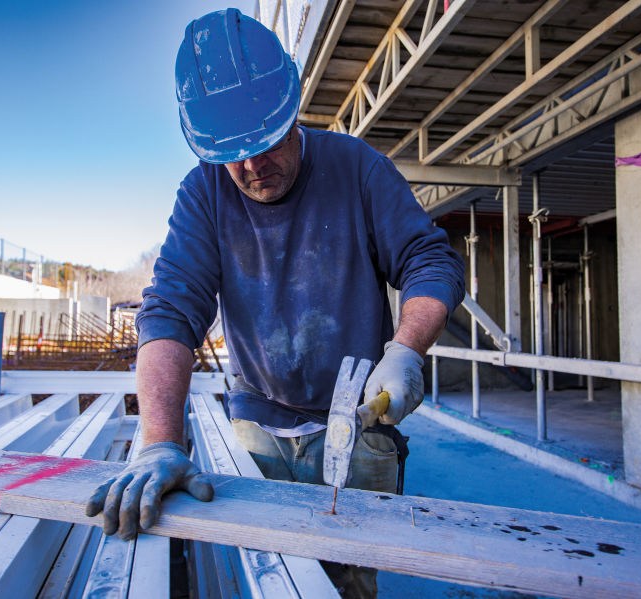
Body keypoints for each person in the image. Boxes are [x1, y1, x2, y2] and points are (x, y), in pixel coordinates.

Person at [86, 8, 465, 598]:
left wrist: (406, 350)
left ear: (293, 111)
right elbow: (170, 312)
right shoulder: (204, 192)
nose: (251, 167)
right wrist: (160, 441)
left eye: (264, 144)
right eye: (230, 154)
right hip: (259, 417)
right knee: (266, 581)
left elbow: (428, 260)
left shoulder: (357, 167)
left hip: (360, 422)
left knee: (346, 584)